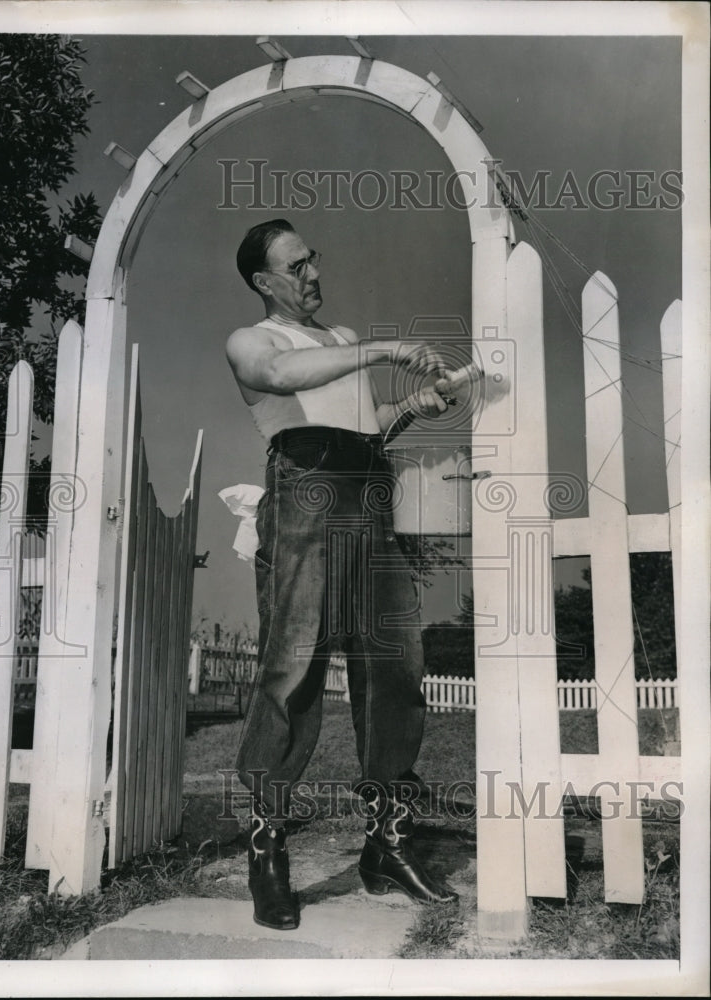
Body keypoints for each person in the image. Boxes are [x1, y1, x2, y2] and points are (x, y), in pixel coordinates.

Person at [226, 218, 459, 931]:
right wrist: (383, 349)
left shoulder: (339, 339)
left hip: (366, 494)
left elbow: (365, 424)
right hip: (304, 494)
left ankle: (386, 843)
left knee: (395, 666)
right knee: (293, 667)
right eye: (296, 267)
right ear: (265, 282)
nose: (312, 274)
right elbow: (284, 380)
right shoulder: (252, 341)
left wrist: (411, 409)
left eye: (313, 259)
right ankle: (267, 847)